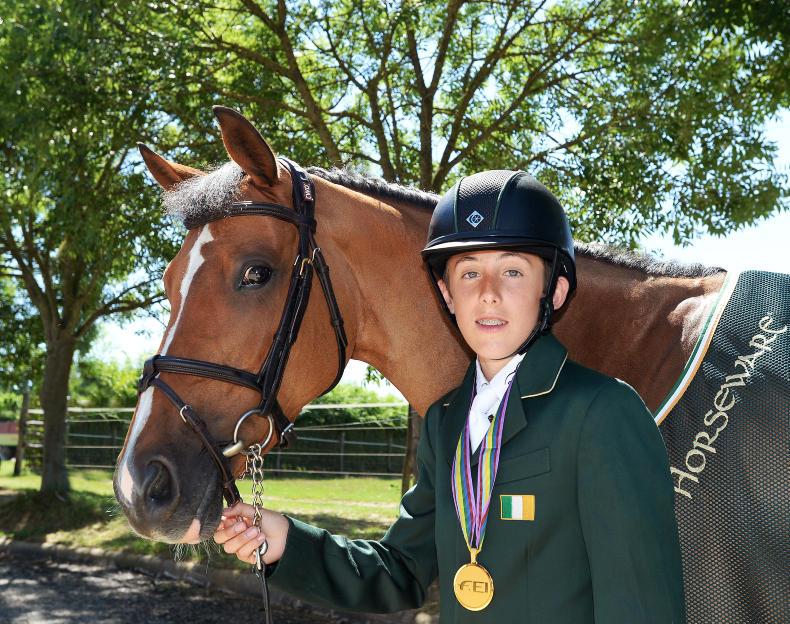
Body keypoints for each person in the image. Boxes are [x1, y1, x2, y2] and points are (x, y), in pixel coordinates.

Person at [214, 170, 686, 622]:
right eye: (468, 273)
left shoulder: (602, 411)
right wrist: (282, 540)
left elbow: (641, 609)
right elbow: (399, 572)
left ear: (555, 290)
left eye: (514, 272)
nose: (489, 294)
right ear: (445, 293)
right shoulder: (445, 422)